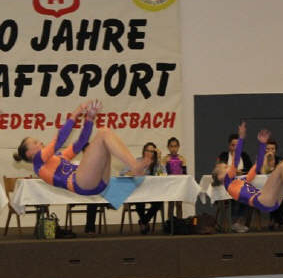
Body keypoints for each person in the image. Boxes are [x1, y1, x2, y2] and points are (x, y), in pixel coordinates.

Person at [13, 99, 147, 196]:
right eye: (35, 143)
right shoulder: (38, 162)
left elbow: (81, 142)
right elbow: (59, 139)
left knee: (105, 136)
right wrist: (75, 113)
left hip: (98, 183)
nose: (40, 142)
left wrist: (90, 119)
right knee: (103, 133)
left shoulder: (58, 157)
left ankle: (132, 169)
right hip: (80, 183)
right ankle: (134, 166)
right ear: (29, 153)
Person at [212, 122, 283, 215]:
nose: (228, 167)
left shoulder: (241, 181)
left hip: (271, 201)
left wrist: (262, 144)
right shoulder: (228, 183)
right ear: (220, 177)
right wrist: (241, 138)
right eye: (225, 167)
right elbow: (235, 161)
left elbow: (258, 165)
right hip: (262, 200)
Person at [120, 142, 163, 234]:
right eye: (147, 150)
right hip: (138, 192)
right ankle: (144, 223)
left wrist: (159, 159)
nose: (149, 153)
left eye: (152, 151)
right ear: (143, 151)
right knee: (139, 201)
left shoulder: (156, 164)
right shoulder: (137, 161)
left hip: (152, 193)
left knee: (159, 202)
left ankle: (143, 221)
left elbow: (163, 174)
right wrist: (134, 173)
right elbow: (123, 173)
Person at [217, 132, 253, 232]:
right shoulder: (224, 156)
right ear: (229, 146)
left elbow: (250, 170)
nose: (235, 148)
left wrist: (241, 171)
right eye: (233, 145)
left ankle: (240, 222)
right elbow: (218, 169)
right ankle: (235, 222)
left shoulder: (245, 156)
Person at [260, 139, 283, 230]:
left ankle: (275, 219)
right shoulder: (260, 160)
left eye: (272, 149)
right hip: (263, 189)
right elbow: (262, 172)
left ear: (275, 150)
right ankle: (278, 219)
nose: (270, 151)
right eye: (268, 149)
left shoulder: (280, 160)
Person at [163, 136, 186, 220]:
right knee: (171, 204)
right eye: (171, 146)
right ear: (168, 147)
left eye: (175, 146)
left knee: (179, 205)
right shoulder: (165, 159)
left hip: (179, 184)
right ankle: (170, 222)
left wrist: (183, 165)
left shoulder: (182, 158)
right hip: (170, 184)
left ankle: (179, 222)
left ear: (178, 147)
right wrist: (165, 163)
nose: (173, 148)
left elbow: (184, 173)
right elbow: (162, 173)